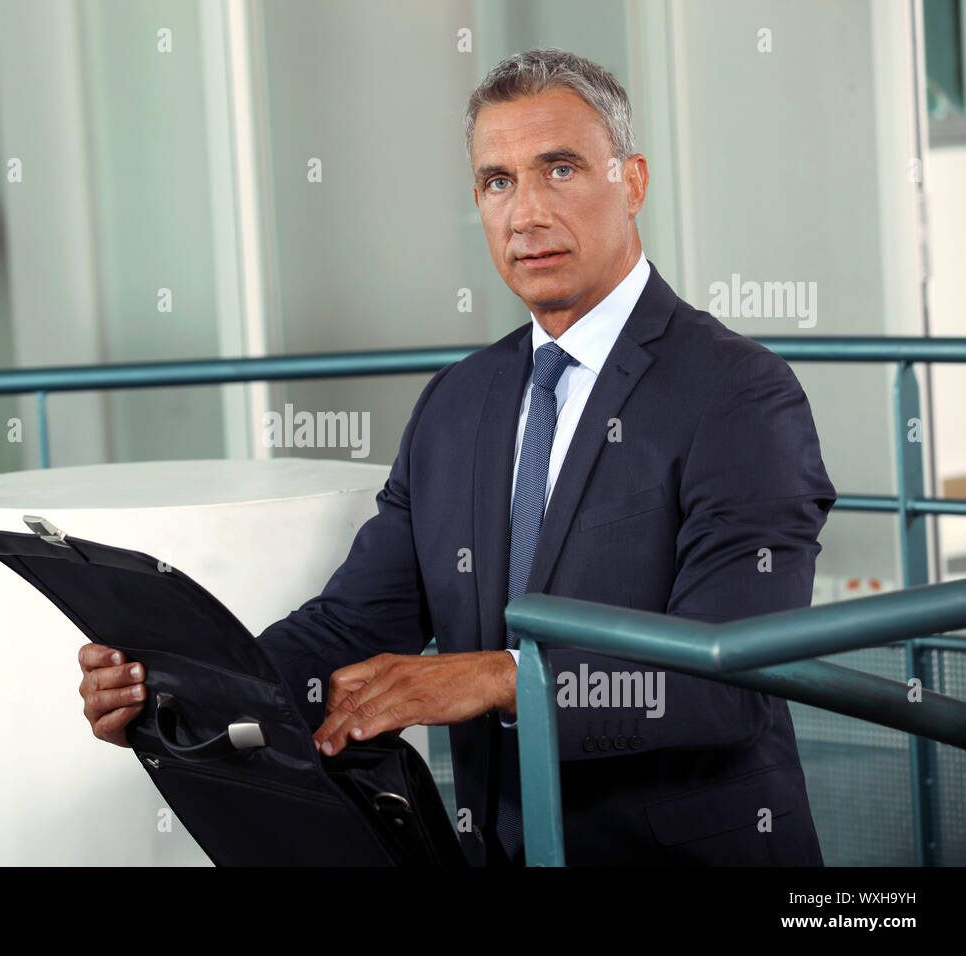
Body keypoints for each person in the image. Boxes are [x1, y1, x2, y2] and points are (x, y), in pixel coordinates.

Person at [79, 48, 835, 867]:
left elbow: (727, 682)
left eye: (560, 170)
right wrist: (180, 687)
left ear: (634, 181)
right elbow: (352, 623)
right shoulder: (458, 404)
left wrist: (505, 678)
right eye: (498, 181)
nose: (527, 214)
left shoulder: (740, 396)